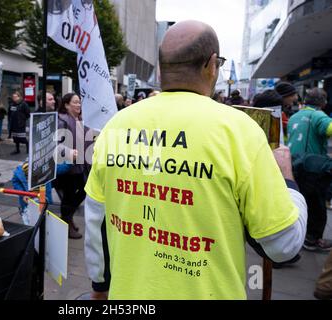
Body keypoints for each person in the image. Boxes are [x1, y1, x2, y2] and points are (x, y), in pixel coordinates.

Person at [84, 20, 307, 300]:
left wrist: (99, 286)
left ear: (163, 65)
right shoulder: (239, 131)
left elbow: (97, 222)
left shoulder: (116, 126)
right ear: (211, 64)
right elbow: (283, 244)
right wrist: (288, 182)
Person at [287, 88, 332, 251]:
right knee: (317, 205)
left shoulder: (295, 116)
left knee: (298, 201)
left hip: (293, 164)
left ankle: (297, 235)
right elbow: (329, 129)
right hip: (312, 167)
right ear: (322, 102)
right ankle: (312, 239)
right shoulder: (319, 116)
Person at [54, 93, 90, 239]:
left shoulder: (79, 119)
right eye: (75, 102)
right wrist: (69, 152)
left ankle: (67, 218)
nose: (79, 105)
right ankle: (66, 223)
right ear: (66, 105)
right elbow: (56, 144)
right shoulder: (61, 121)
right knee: (69, 197)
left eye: (79, 102)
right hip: (68, 167)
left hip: (80, 165)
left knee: (83, 191)